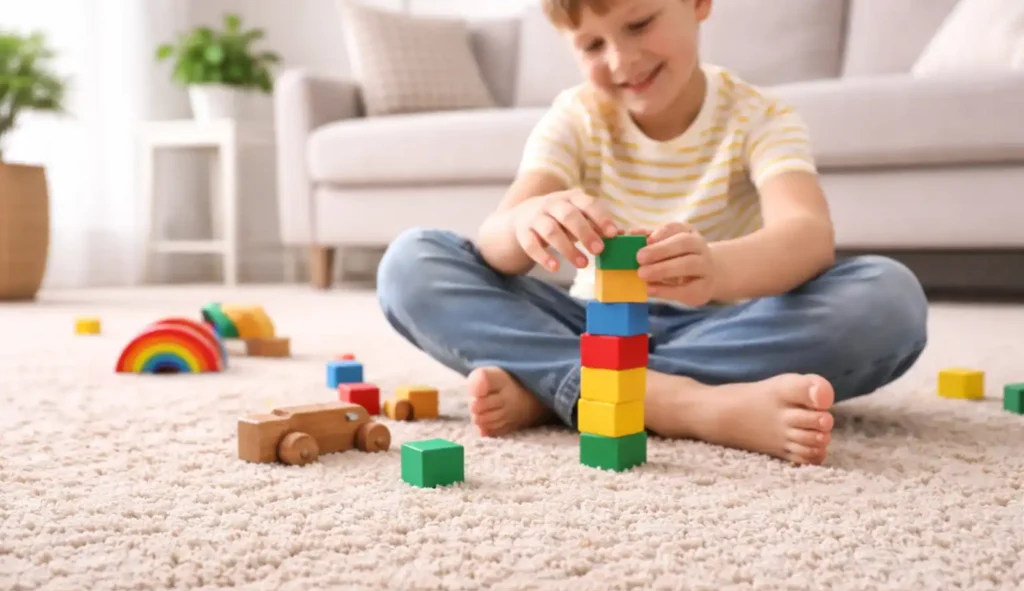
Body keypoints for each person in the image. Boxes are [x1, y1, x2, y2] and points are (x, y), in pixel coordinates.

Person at [376, 0, 928, 465]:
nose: (622, 60)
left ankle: (558, 389)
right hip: (590, 326)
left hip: (723, 328)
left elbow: (807, 235)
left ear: (697, 3)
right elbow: (493, 244)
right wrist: (526, 222)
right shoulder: (577, 117)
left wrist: (716, 269)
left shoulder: (760, 116)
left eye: (639, 25)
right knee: (411, 262)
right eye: (592, 45)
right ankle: (681, 404)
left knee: (889, 296)